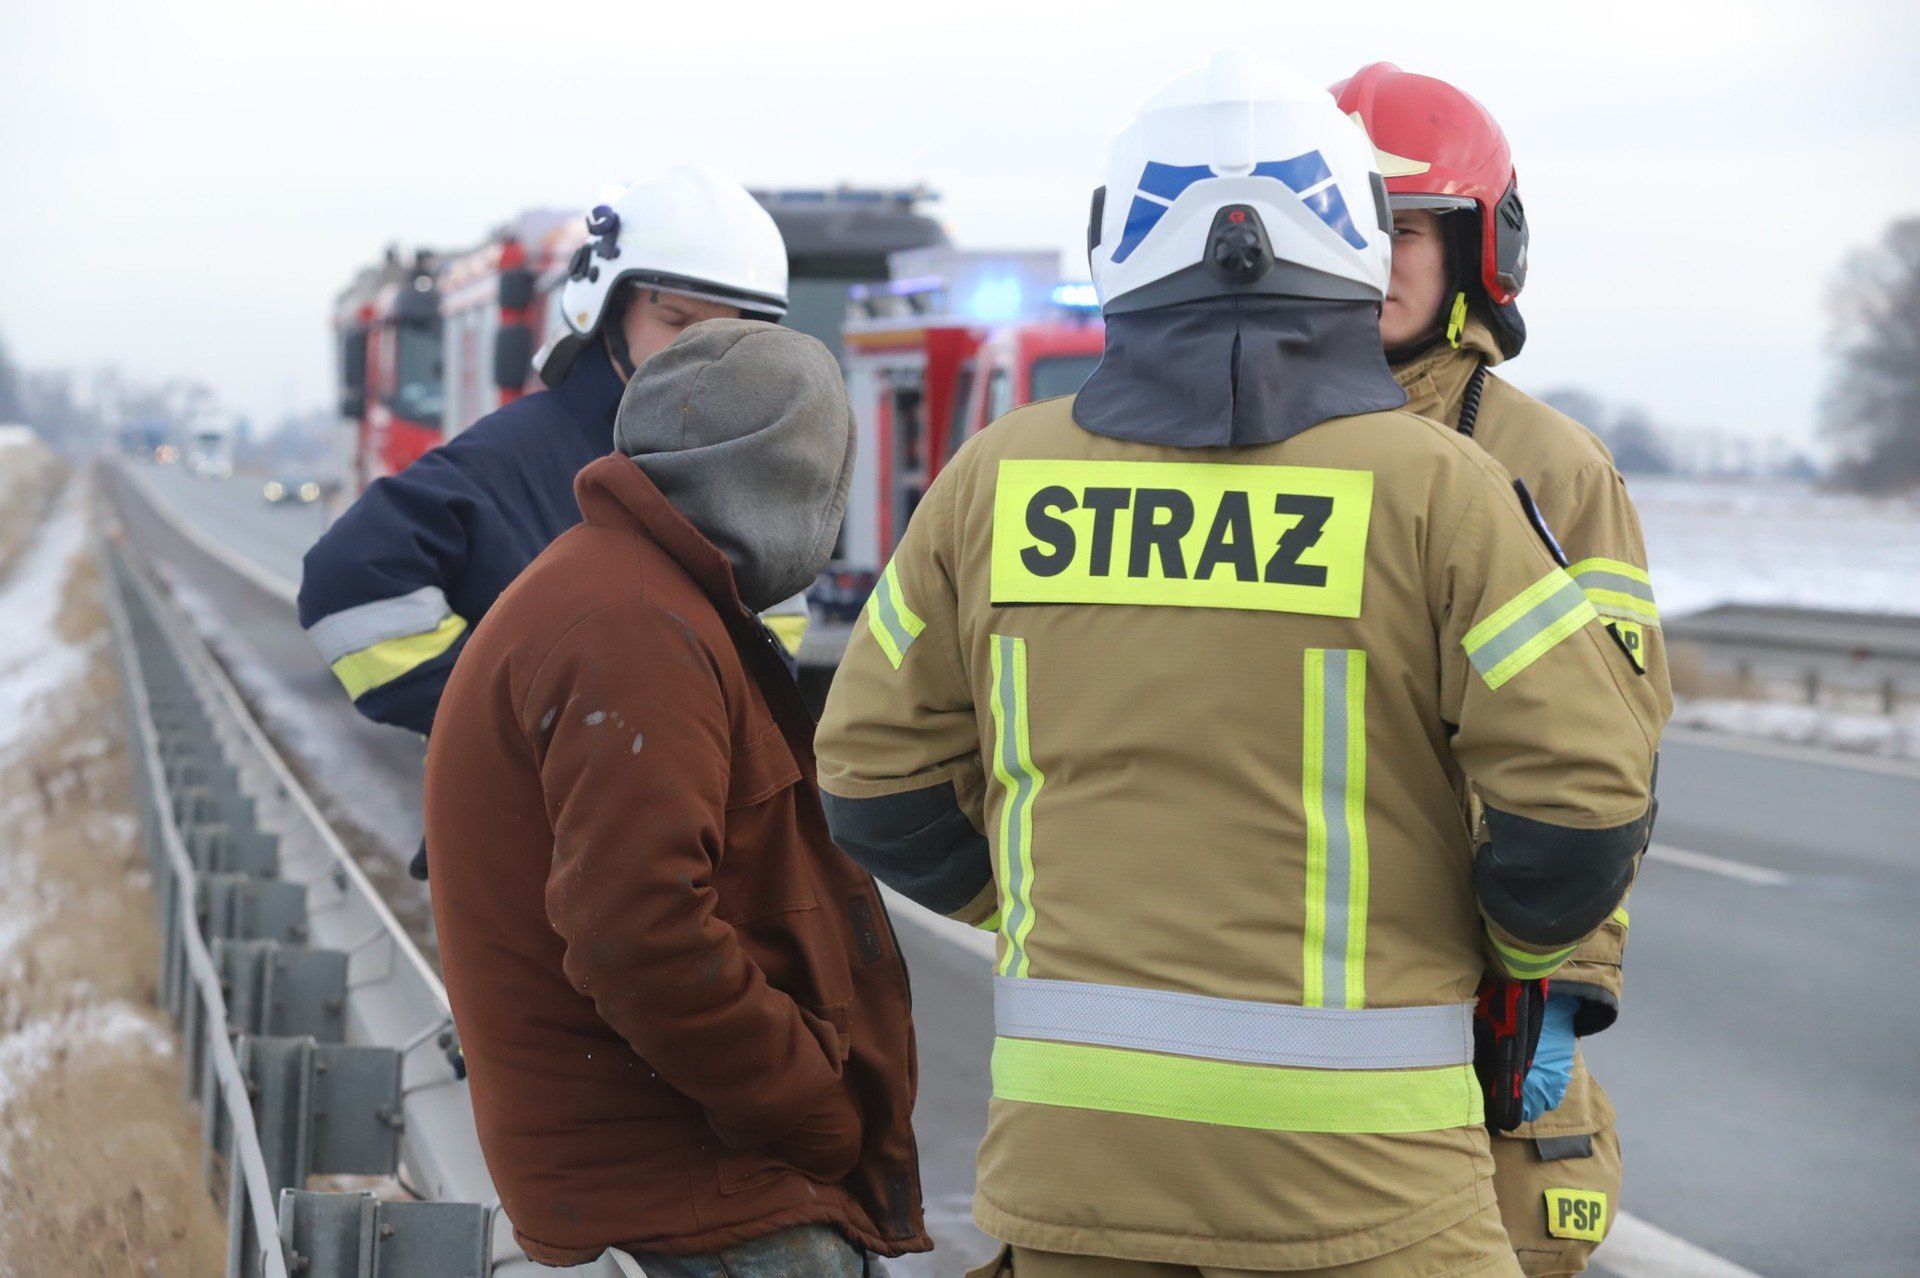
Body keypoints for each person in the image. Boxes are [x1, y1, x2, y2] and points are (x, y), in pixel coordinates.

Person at [814, 51, 1659, 1278]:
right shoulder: (1449, 492)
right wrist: (1508, 950)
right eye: (1384, 221)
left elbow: (872, 780)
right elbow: (1586, 803)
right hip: (1370, 1150)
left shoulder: (1004, 472)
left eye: (1424, 225)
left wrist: (1051, 915)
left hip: (1076, 1153)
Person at [423, 320, 927, 1274]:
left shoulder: (623, 588)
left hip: (684, 1172)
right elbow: (639, 930)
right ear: (782, 478)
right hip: (705, 1190)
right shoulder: (636, 626)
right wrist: (813, 1110)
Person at [1335, 61, 1673, 1277]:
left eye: (1411, 225)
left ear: (1483, 247)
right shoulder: (1240, 443)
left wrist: (1563, 984)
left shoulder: (1553, 466)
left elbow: (1609, 750)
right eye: (1354, 219)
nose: (1380, 253)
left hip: (1481, 993)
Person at [298, 164, 804, 876]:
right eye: (677, 322)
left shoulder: (741, 475)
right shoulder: (511, 456)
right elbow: (345, 585)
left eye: (734, 334)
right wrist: (508, 725)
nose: (700, 355)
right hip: (532, 871)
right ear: (608, 310)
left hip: (694, 862)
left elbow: (773, 627)